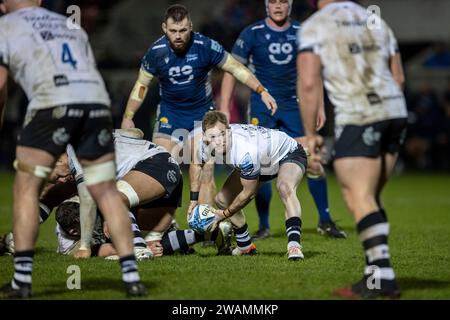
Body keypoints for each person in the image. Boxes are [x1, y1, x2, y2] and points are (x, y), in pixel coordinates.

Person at [0, 0, 145, 298]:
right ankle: (132, 278)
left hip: (52, 103)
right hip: (96, 104)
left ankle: (22, 281)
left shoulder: (8, 26)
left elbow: (0, 84)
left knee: (26, 189)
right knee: (106, 192)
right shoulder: (71, 27)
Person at [120, 4, 278, 212]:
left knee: (205, 169)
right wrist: (128, 115)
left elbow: (235, 68)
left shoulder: (205, 46)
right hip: (170, 115)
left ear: (191, 27)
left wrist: (261, 90)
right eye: (173, 31)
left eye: (183, 30)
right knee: (162, 168)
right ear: (164, 28)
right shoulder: (155, 53)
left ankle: (204, 224)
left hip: (201, 117)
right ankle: (166, 227)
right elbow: (141, 86)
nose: (178, 36)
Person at [298, 0, 408, 298]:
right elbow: (398, 77)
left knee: (358, 197)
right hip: (395, 111)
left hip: (360, 115)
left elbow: (308, 83)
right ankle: (374, 276)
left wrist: (310, 134)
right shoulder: (376, 21)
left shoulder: (316, 25)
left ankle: (382, 281)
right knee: (370, 198)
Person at [220, 0, 346, 240]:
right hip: (262, 108)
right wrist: (225, 107)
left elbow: (313, 71)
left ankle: (325, 220)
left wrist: (319, 106)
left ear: (290, 5)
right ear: (266, 5)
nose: (278, 6)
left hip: (294, 107)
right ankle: (265, 226)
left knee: (314, 161)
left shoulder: (303, 32)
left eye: (283, 1)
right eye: (273, 1)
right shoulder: (252, 33)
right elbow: (232, 68)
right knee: (259, 166)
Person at [191, 111, 308, 261]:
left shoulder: (245, 151)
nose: (219, 140)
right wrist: (193, 202)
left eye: (223, 134)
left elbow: (249, 193)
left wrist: (224, 215)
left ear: (229, 131)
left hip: (287, 153)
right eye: (213, 137)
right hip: (262, 159)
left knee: (285, 187)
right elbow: (196, 165)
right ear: (206, 137)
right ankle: (245, 246)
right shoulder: (204, 146)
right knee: (221, 200)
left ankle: (294, 246)